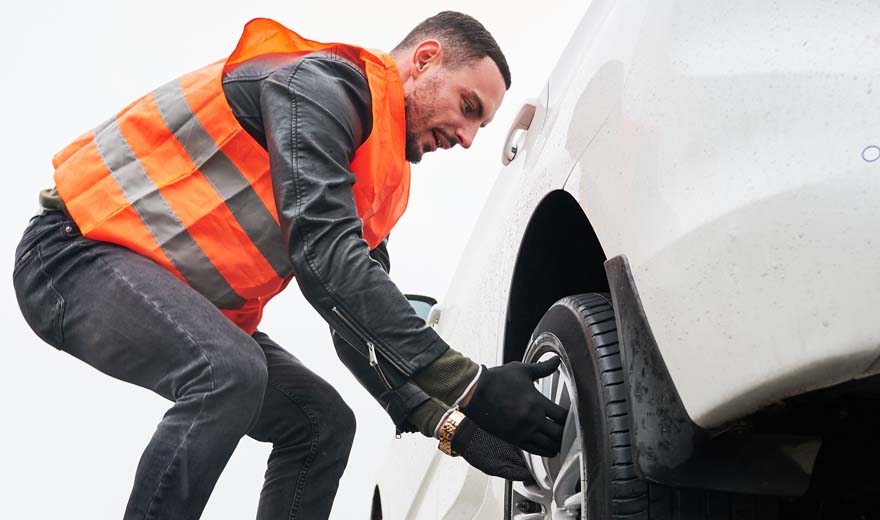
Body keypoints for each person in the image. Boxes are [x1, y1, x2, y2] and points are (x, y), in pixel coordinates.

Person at [13, 11, 566, 520]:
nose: (467, 139)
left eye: (481, 127)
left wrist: (452, 425)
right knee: (227, 372)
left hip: (184, 300)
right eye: (469, 108)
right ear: (424, 60)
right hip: (72, 255)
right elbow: (325, 257)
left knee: (321, 424)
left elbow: (355, 319)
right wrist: (470, 385)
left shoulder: (380, 181)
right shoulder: (321, 89)